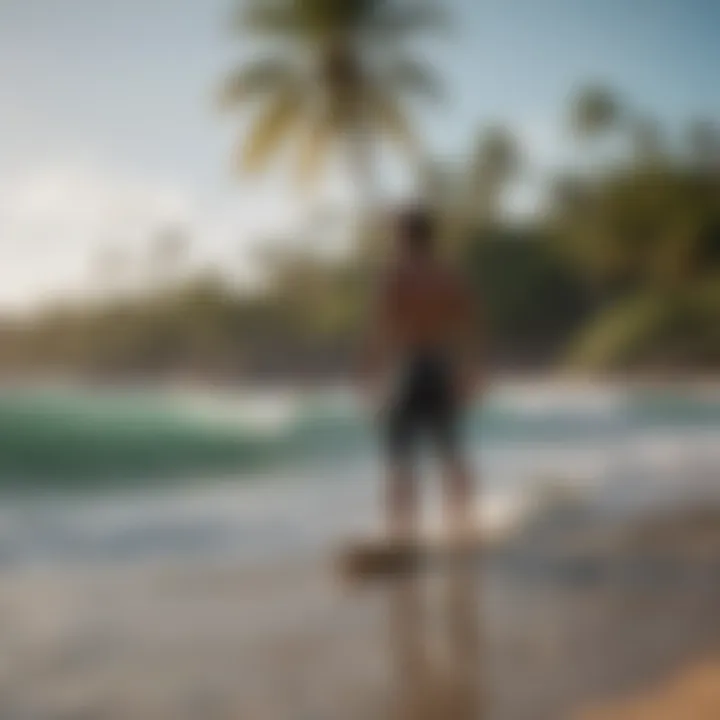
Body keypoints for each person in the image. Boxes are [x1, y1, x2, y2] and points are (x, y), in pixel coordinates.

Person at [361, 205, 483, 542]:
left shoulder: (395, 276)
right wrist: (470, 372)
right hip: (442, 364)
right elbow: (468, 329)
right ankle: (464, 525)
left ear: (403, 236)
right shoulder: (450, 276)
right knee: (451, 451)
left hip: (409, 367)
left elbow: (381, 332)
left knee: (400, 457)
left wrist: (372, 380)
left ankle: (402, 534)